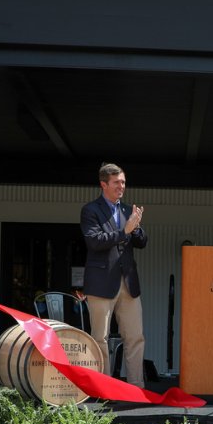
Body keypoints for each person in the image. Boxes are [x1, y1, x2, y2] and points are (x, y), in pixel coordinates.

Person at [80, 163, 147, 388]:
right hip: (101, 283)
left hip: (128, 283)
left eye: (124, 182)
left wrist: (136, 228)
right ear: (103, 184)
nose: (122, 186)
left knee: (135, 337)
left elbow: (142, 242)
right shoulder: (90, 210)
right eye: (117, 182)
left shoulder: (128, 210)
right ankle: (104, 388)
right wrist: (124, 231)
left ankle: (137, 388)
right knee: (100, 338)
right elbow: (94, 241)